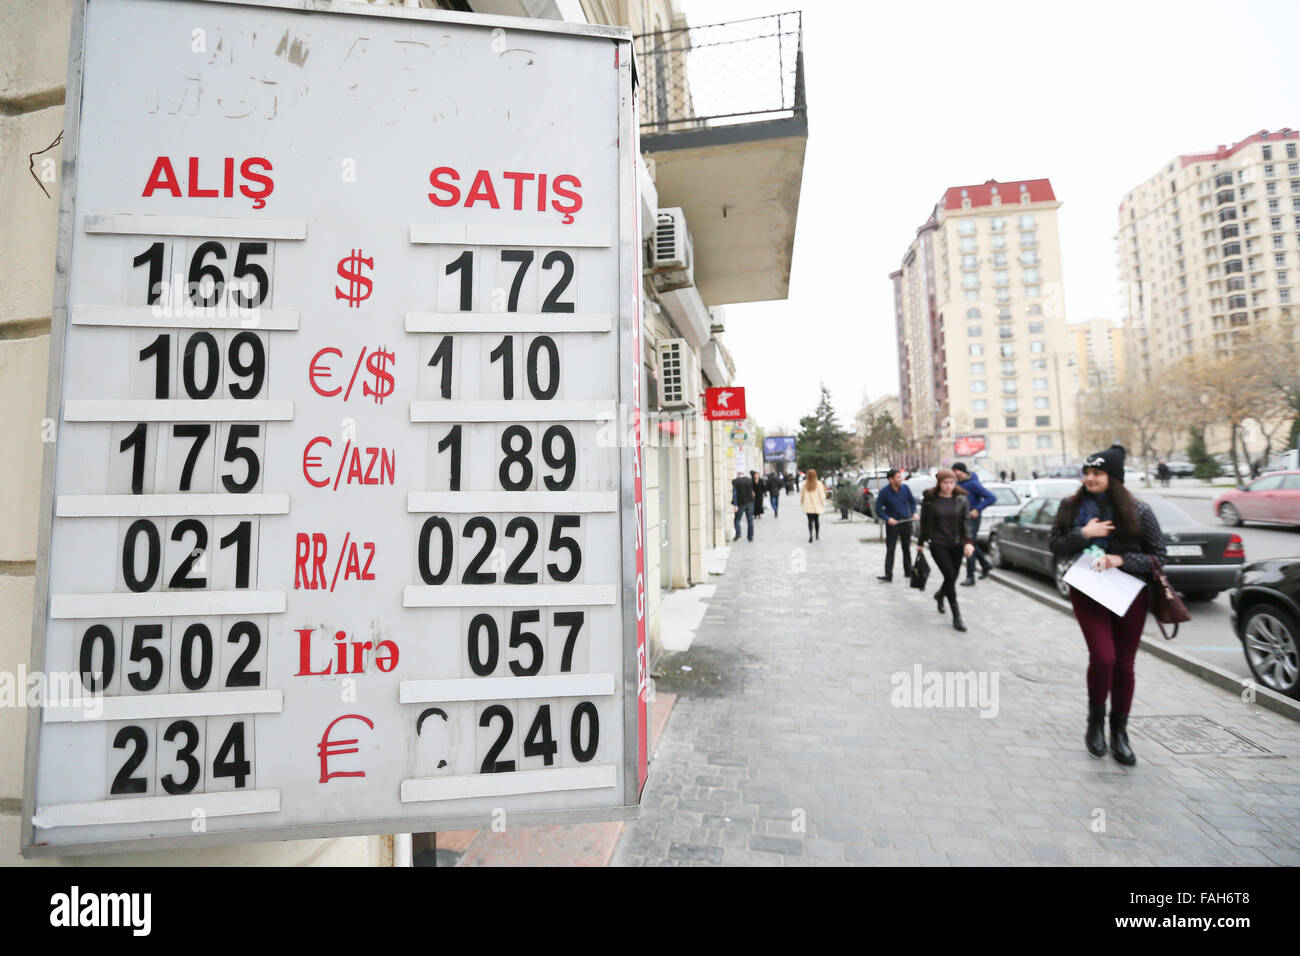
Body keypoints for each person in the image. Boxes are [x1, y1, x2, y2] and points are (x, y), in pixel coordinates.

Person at [1048, 444, 1165, 767]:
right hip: (1088, 590)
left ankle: (1120, 734)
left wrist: (1121, 559)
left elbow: (1159, 556)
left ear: (1113, 477)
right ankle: (1094, 723)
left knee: (1124, 664)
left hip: (1129, 594)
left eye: (1097, 473)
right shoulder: (1070, 507)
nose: (1090, 478)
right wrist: (1084, 534)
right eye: (1086, 473)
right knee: (1103, 657)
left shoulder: (1138, 511)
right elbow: (1055, 545)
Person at [916, 469, 975, 631]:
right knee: (949, 575)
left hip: (956, 544)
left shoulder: (962, 499)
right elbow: (924, 522)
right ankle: (957, 617)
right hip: (938, 543)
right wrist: (921, 542)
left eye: (952, 482)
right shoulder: (930, 499)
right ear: (939, 483)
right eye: (946, 483)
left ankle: (940, 594)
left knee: (952, 577)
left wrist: (968, 542)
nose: (949, 486)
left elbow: (966, 521)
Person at [952, 462, 995, 586]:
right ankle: (985, 565)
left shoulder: (973, 484)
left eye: (956, 471)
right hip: (961, 519)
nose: (955, 474)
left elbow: (991, 497)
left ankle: (970, 576)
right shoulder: (958, 483)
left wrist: (977, 509)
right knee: (971, 543)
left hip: (972, 518)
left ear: (962, 471)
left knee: (968, 544)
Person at [875, 468, 917, 582]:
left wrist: (913, 512)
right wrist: (887, 519)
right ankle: (888, 575)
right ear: (891, 479)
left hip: (906, 522)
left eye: (901, 476)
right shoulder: (884, 492)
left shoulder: (905, 488)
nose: (901, 479)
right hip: (893, 524)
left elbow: (912, 502)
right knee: (890, 549)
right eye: (898, 477)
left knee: (906, 548)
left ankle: (908, 572)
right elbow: (878, 509)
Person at [800, 468, 826, 543]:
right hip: (816, 506)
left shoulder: (804, 484)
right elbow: (821, 495)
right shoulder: (819, 484)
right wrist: (823, 503)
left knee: (810, 521)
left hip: (808, 506)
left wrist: (802, 502)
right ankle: (817, 535)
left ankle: (811, 535)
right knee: (817, 520)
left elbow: (802, 495)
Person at [731, 469, 755, 542]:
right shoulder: (750, 480)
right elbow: (753, 492)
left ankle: (738, 533)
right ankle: (750, 537)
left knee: (737, 519)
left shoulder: (735, 481)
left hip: (740, 504)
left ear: (738, 474)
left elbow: (734, 494)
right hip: (750, 503)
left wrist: (735, 505)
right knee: (750, 520)